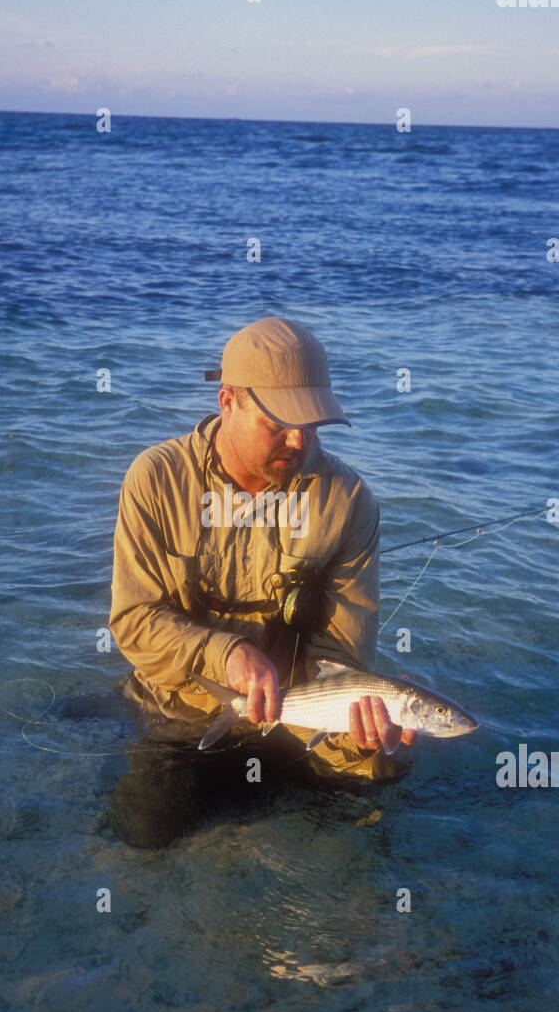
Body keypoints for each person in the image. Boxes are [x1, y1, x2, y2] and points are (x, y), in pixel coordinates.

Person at [107, 316, 417, 809]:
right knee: (146, 835)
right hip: (181, 710)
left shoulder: (350, 501)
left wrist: (355, 735)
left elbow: (341, 654)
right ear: (227, 401)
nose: (299, 442)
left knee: (378, 784)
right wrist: (223, 653)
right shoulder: (155, 480)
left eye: (311, 424)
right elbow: (133, 621)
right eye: (278, 425)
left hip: (299, 718)